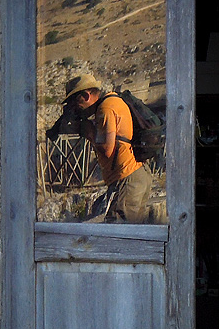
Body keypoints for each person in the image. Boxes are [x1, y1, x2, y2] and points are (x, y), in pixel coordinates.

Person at [61, 73, 152, 223]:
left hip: (127, 178)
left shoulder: (106, 109)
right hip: (135, 176)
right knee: (131, 234)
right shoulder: (112, 101)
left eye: (75, 102)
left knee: (118, 232)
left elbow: (107, 149)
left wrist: (89, 132)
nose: (76, 108)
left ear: (85, 95)